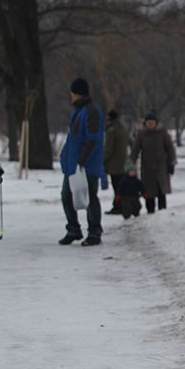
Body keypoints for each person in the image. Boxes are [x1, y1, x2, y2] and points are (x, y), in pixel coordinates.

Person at [59, 77, 106, 246]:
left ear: (77, 93)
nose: (70, 96)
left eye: (72, 93)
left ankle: (94, 232)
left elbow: (93, 139)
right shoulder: (78, 111)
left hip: (86, 165)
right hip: (73, 165)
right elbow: (73, 138)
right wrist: (66, 157)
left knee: (90, 197)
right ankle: (73, 229)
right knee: (66, 196)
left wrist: (81, 161)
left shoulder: (91, 111)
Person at [130, 111, 176, 213]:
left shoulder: (162, 132)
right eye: (148, 123)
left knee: (161, 191)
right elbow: (135, 149)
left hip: (161, 166)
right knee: (149, 192)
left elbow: (170, 148)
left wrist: (171, 162)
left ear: (156, 123)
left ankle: (162, 212)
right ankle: (150, 212)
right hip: (147, 167)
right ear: (145, 123)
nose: (150, 124)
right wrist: (131, 164)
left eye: (152, 122)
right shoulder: (141, 134)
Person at [103, 110, 128, 215]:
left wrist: (103, 160)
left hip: (114, 164)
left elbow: (108, 149)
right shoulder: (122, 128)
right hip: (123, 163)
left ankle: (118, 206)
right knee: (121, 186)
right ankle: (123, 205)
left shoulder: (111, 131)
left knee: (117, 186)